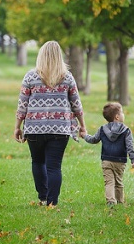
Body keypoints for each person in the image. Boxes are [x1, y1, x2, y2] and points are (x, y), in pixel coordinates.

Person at [14, 41, 86, 207]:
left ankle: (43, 197)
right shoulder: (67, 77)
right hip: (60, 129)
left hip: (34, 128)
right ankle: (52, 203)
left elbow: (22, 104)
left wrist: (17, 126)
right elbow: (76, 104)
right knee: (54, 167)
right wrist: (82, 125)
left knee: (38, 162)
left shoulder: (30, 76)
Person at [83, 101, 134, 207]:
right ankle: (120, 201)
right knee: (118, 182)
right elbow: (130, 146)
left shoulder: (103, 129)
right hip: (120, 161)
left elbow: (94, 140)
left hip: (106, 160)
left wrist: (85, 135)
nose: (123, 114)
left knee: (109, 182)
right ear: (117, 117)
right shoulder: (126, 131)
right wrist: (133, 159)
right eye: (122, 113)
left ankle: (111, 201)